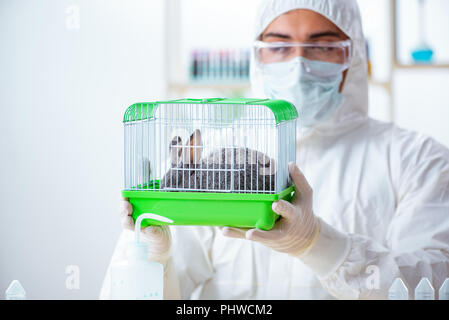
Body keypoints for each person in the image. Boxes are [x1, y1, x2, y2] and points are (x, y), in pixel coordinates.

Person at [100, 0, 449, 300]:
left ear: (352, 55)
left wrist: (318, 244)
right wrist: (155, 258)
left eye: (322, 45)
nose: (298, 64)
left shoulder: (417, 160)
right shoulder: (213, 157)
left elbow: (432, 283)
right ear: (258, 56)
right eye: (280, 46)